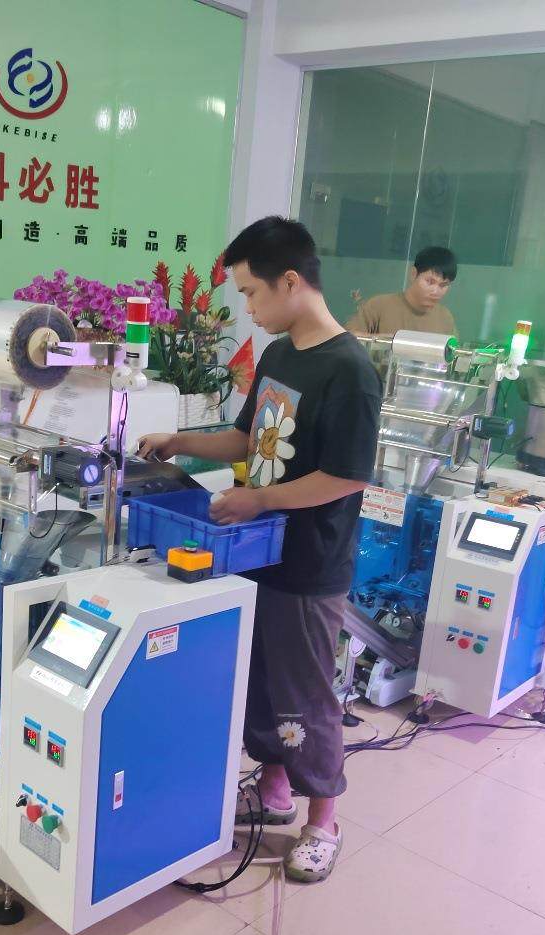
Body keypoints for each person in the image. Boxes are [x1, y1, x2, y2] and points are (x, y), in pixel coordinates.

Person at [138, 217, 381, 884]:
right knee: (259, 683)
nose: (246, 307)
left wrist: (261, 499)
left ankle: (323, 821)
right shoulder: (279, 356)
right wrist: (179, 441)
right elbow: (249, 439)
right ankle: (274, 788)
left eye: (250, 292)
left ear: (291, 281)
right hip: (256, 551)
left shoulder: (350, 372)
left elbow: (347, 476)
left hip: (309, 563)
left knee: (306, 695)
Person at [346, 246, 457, 336]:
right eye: (430, 282)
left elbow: (453, 353)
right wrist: (384, 341)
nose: (435, 291)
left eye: (443, 285)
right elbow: (347, 338)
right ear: (413, 274)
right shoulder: (379, 305)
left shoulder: (445, 318)